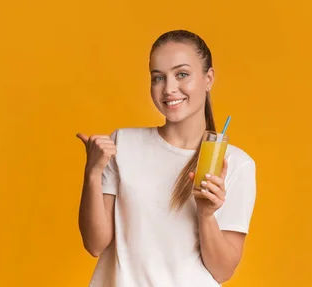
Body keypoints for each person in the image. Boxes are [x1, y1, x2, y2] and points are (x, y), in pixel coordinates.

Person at [76, 30, 257, 287]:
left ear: (208, 78)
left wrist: (206, 215)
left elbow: (222, 271)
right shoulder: (123, 144)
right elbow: (95, 244)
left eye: (181, 74)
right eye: (158, 77)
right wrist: (93, 173)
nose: (169, 88)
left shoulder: (236, 164)